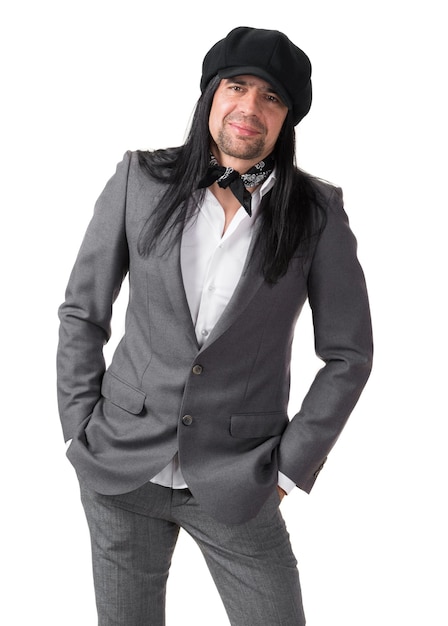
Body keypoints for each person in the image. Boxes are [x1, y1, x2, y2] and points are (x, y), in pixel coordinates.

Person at [57, 26, 373, 625]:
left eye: (272, 98)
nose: (250, 108)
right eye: (237, 87)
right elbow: (82, 310)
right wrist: (79, 427)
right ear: (211, 96)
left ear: (286, 121)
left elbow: (348, 355)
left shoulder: (316, 214)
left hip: (238, 478)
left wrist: (288, 468)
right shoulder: (139, 180)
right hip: (121, 468)